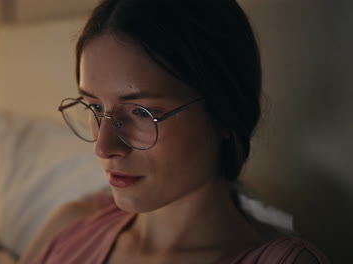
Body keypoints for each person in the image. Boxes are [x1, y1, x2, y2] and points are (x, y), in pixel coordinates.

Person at [17, 0, 330, 263]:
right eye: (95, 108)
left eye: (142, 112)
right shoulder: (69, 229)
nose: (104, 146)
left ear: (222, 113)